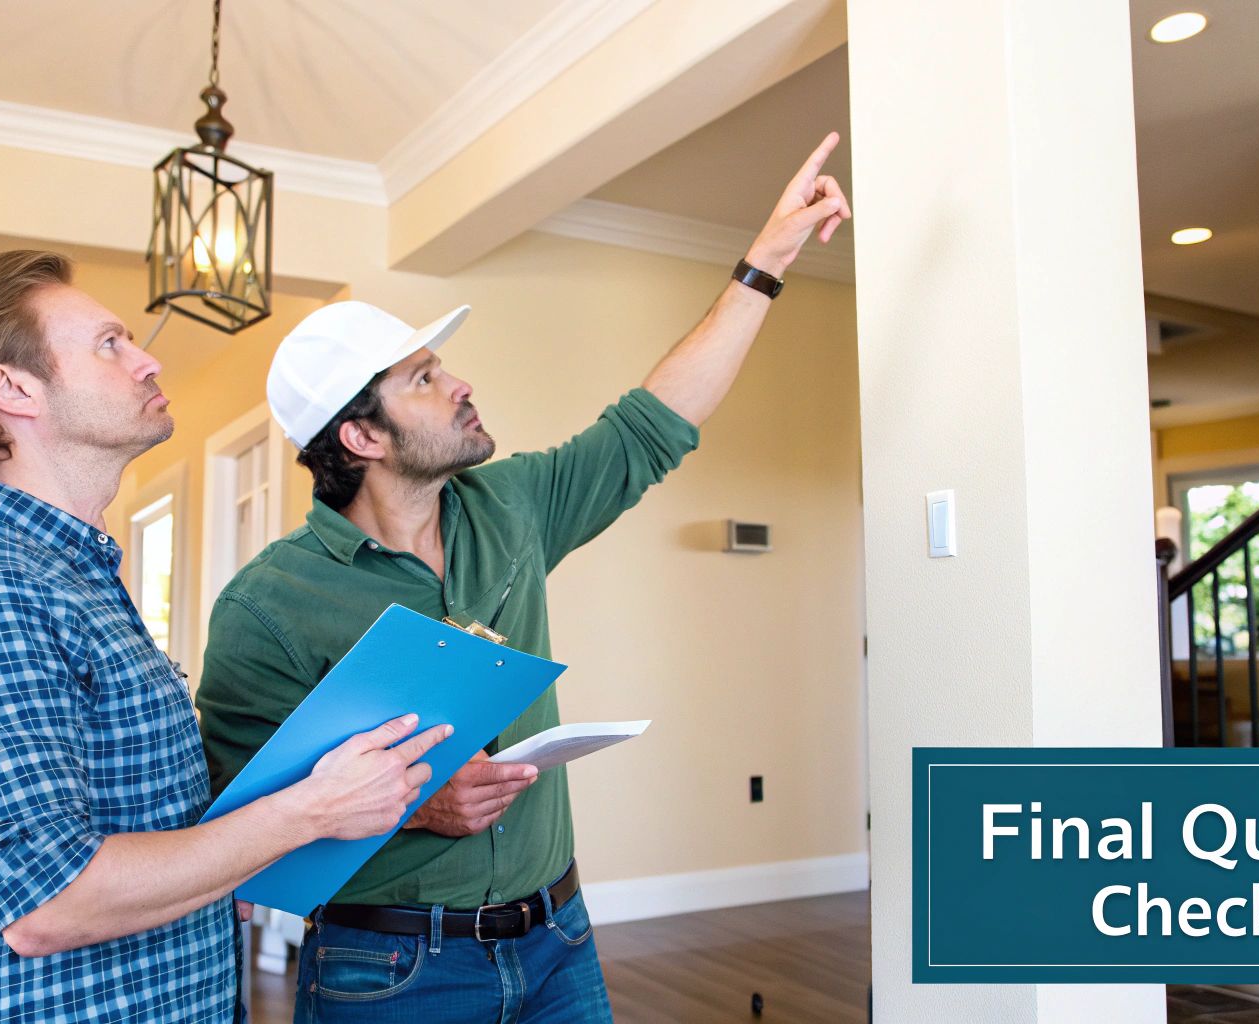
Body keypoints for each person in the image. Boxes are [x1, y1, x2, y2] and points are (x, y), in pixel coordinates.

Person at [195, 133, 850, 1021]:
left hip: (560, 943)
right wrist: (420, 805)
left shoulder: (510, 505)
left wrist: (764, 263)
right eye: (425, 378)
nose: (460, 383)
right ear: (363, 438)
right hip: (389, 972)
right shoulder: (266, 608)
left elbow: (649, 426)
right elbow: (242, 837)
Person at [0, 250, 452, 1022]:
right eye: (110, 343)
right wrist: (313, 809)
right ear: (10, 389)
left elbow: (119, 823)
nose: (147, 360)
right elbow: (53, 902)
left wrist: (220, 869)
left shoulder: (64, 570)